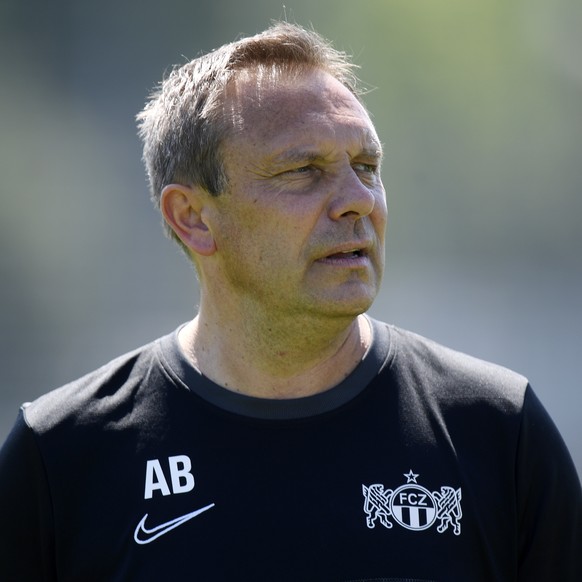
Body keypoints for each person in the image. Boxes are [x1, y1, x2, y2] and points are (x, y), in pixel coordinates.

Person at [0, 22, 580, 582]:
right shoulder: (61, 459)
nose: (358, 202)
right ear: (193, 217)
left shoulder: (499, 433)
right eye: (304, 171)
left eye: (367, 168)